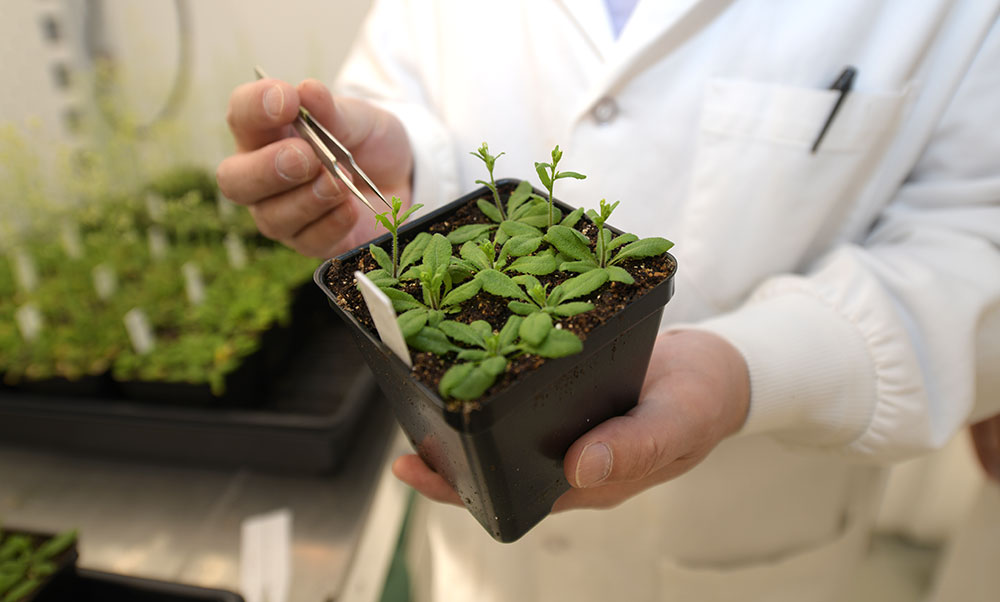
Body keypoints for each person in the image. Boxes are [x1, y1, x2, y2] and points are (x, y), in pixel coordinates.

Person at [216, 2, 1000, 600]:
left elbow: (977, 237)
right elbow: (404, 81)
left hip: (744, 538)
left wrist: (744, 370)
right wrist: (410, 171)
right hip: (482, 565)